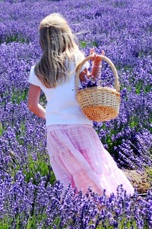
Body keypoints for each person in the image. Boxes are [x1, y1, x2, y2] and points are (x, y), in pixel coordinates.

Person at [27, 13, 134, 197]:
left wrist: (52, 117)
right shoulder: (76, 58)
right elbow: (90, 85)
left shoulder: (38, 69)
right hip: (79, 124)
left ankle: (79, 211)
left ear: (42, 40)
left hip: (54, 130)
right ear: (65, 35)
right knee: (93, 165)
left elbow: (33, 105)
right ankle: (107, 202)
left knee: (69, 174)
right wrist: (97, 64)